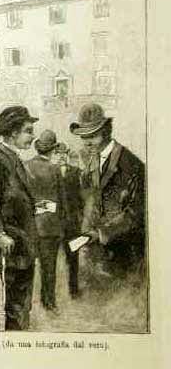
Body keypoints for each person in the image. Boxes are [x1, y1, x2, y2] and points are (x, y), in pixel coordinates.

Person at [69, 103, 146, 288]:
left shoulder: (131, 164)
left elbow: (136, 212)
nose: (87, 142)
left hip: (124, 255)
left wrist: (103, 233)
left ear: (106, 132)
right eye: (83, 137)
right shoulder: (90, 161)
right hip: (95, 256)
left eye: (92, 136)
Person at [0, 105, 39, 331]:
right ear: (13, 133)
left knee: (22, 303)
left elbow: (14, 197)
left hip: (22, 243)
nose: (32, 136)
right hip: (11, 246)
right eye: (28, 130)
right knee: (15, 305)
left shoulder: (13, 159)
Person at [25, 130, 64, 314]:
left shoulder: (25, 166)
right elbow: (62, 201)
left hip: (30, 226)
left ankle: (25, 304)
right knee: (49, 268)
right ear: (52, 151)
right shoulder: (55, 169)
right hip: (50, 228)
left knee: (27, 266)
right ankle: (49, 303)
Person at [55, 143, 82, 299]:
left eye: (64, 153)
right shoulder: (51, 172)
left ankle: (74, 289)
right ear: (54, 155)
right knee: (51, 257)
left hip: (72, 222)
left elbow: (82, 197)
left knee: (73, 256)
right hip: (55, 222)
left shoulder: (76, 172)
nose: (62, 156)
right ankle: (53, 292)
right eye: (58, 153)